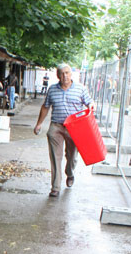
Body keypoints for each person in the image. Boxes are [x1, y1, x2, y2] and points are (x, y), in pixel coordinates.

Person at [33, 64, 95, 197]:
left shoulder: (80, 89)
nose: (64, 76)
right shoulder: (52, 89)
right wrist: (39, 124)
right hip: (57, 126)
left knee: (72, 156)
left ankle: (70, 173)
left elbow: (89, 102)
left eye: (67, 73)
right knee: (56, 157)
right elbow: (46, 107)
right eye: (61, 73)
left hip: (74, 128)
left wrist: (91, 105)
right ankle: (55, 187)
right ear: (57, 75)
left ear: (71, 74)